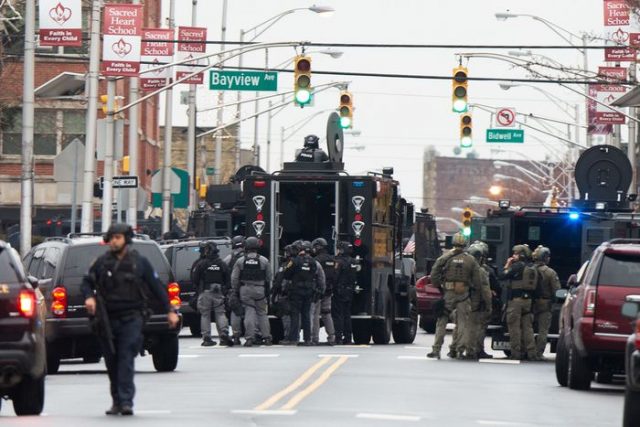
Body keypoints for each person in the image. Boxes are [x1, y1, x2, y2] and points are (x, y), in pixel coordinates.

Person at [82, 223, 179, 416]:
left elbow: (157, 287)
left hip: (131, 318)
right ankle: (117, 400)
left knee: (126, 356)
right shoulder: (101, 262)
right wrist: (89, 297)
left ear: (126, 239)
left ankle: (126, 401)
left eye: (118, 237)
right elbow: (86, 282)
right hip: (108, 319)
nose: (114, 241)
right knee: (112, 359)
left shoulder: (139, 262)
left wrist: (170, 310)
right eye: (112, 238)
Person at [427, 232, 483, 360]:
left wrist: (438, 285)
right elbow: (477, 280)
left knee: (442, 321)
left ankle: (436, 349)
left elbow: (434, 271)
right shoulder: (471, 260)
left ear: (453, 242)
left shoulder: (445, 257)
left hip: (448, 292)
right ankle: (459, 350)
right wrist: (474, 292)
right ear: (465, 244)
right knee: (462, 322)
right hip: (464, 293)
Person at [231, 236, 272, 347]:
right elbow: (269, 277)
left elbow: (234, 278)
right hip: (260, 289)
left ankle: (249, 338)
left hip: (245, 289)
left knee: (249, 312)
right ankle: (267, 337)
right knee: (262, 313)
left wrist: (235, 290)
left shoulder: (240, 261)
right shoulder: (264, 260)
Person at [500, 244, 539, 361]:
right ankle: (531, 353)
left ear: (520, 255)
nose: (513, 255)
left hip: (516, 301)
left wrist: (507, 265)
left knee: (514, 327)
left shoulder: (516, 266)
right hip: (528, 301)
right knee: (528, 328)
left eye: (515, 254)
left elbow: (502, 275)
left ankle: (516, 353)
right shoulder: (532, 267)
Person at [284, 241, 325, 345]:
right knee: (306, 315)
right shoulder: (313, 262)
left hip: (296, 291)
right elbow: (316, 275)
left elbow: (287, 274)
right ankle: (307, 339)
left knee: (295, 315)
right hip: (309, 291)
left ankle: (294, 338)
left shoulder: (294, 261)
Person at [191, 241, 232, 347]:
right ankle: (224, 333)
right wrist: (225, 289)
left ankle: (207, 338)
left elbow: (195, 278)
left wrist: (197, 289)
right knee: (220, 313)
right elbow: (228, 278)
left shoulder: (201, 263)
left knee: (205, 315)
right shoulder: (221, 263)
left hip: (205, 291)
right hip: (218, 292)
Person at [532, 245, 561, 359]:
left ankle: (528, 350)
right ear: (546, 258)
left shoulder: (529, 269)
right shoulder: (550, 273)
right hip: (545, 304)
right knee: (543, 330)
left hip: (530, 303)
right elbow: (557, 291)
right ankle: (538, 353)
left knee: (527, 327)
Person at [465, 244, 492, 360]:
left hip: (462, 300)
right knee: (475, 327)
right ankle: (473, 350)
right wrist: (488, 304)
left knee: (462, 326)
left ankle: (457, 349)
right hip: (475, 301)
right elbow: (485, 289)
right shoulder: (480, 271)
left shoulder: (464, 267)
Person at [311, 238, 336, 345]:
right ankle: (332, 337)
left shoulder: (316, 260)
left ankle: (315, 338)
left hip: (319, 291)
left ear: (318, 247)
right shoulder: (333, 259)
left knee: (316, 314)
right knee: (327, 314)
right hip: (329, 290)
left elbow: (316, 276)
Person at [332, 241, 358, 345]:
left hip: (340, 290)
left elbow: (335, 276)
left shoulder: (339, 262)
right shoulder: (353, 262)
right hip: (350, 290)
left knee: (338, 314)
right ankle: (348, 338)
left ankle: (338, 337)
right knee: (347, 314)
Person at [272, 244, 297, 341]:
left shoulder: (287, 264)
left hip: (286, 293)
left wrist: (274, 293)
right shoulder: (299, 261)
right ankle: (295, 336)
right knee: (296, 315)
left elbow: (279, 279)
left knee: (286, 315)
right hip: (297, 293)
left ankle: (288, 336)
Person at [224, 235, 246, 346]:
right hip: (249, 288)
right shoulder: (253, 257)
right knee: (252, 311)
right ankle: (254, 335)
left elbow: (223, 272)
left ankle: (236, 336)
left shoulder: (229, 258)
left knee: (235, 312)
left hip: (234, 289)